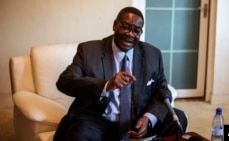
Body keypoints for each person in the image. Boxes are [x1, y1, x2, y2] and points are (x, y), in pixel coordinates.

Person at [53, 7, 188, 141]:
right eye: (125, 27)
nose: (130, 34)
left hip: (137, 120)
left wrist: (148, 118)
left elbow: (162, 89)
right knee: (79, 133)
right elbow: (64, 81)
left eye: (136, 31)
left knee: (177, 119)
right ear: (114, 25)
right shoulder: (89, 51)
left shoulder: (152, 54)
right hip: (98, 120)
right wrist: (106, 85)